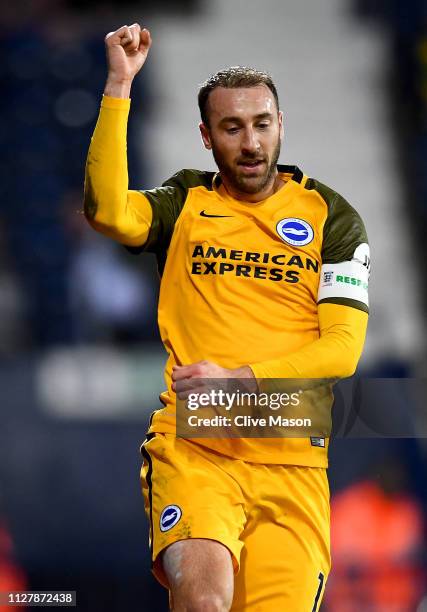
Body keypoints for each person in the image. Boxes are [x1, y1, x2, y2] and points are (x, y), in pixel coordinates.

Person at [84, 23, 370, 612]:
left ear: (281, 125)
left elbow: (343, 349)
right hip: (199, 447)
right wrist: (119, 86)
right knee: (205, 601)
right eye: (231, 128)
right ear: (206, 137)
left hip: (293, 458)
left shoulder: (331, 216)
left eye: (262, 124)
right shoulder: (187, 202)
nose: (250, 143)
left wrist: (242, 380)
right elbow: (108, 211)